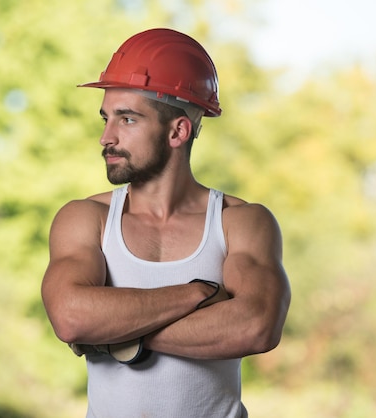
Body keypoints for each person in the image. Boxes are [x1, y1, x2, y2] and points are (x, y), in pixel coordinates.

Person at [41, 28, 291, 418]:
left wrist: (112, 337)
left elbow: (256, 326)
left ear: (178, 131)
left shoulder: (240, 222)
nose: (106, 137)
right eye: (106, 118)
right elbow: (71, 318)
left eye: (127, 119)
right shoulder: (86, 219)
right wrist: (197, 295)